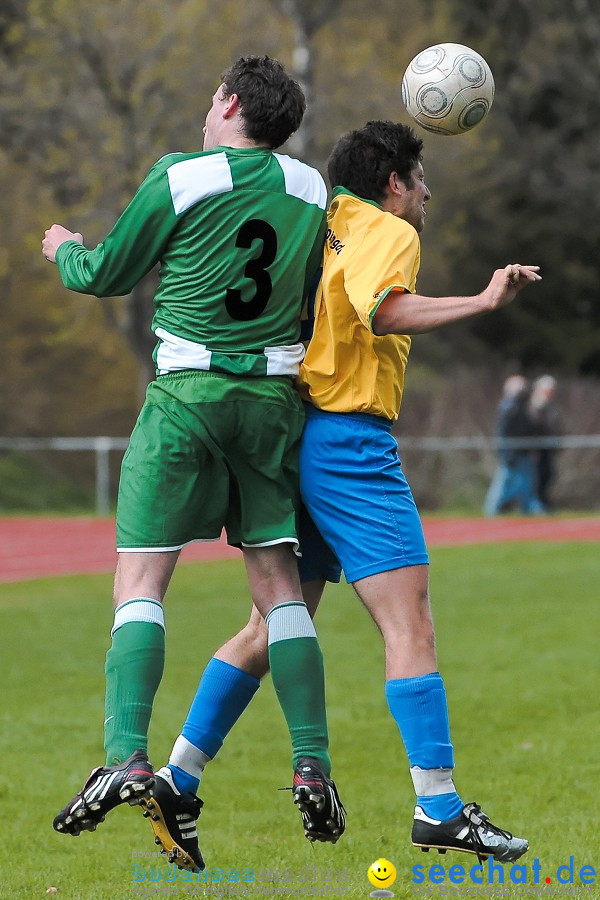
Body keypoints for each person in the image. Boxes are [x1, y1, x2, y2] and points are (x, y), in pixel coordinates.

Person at [144, 121, 540, 871]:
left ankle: (177, 779)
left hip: (289, 434)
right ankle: (440, 807)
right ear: (394, 182)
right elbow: (382, 308)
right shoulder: (391, 231)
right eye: (421, 178)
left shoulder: (320, 220)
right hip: (349, 444)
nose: (427, 193)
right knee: (409, 622)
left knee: (273, 625)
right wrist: (485, 300)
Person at [41, 54, 344, 851]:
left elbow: (105, 275)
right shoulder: (313, 191)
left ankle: (126, 758)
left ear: (232, 104)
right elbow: (320, 294)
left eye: (214, 98)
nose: (207, 110)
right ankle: (311, 763)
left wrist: (64, 248)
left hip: (185, 398)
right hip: (273, 404)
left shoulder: (183, 174)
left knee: (142, 579)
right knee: (280, 586)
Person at [484, 375, 545, 516]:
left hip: (523, 451)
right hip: (510, 451)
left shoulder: (526, 406)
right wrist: (506, 452)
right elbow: (504, 431)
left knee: (526, 483)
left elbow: (532, 427)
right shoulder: (508, 407)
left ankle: (529, 508)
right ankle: (492, 509)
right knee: (504, 481)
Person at [529, 374, 561, 510]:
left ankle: (543, 503)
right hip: (537, 449)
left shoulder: (551, 407)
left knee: (548, 476)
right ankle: (535, 505)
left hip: (548, 449)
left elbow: (555, 427)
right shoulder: (534, 405)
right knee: (536, 477)